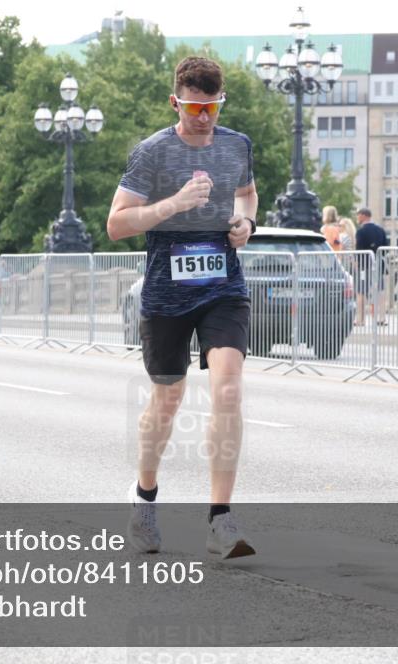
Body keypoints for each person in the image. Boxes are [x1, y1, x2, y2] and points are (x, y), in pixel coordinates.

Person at [107, 56, 257, 559]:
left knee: (228, 387)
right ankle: (145, 498)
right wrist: (173, 203)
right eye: (195, 108)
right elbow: (116, 224)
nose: (204, 117)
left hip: (222, 287)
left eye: (212, 107)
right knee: (167, 400)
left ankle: (220, 519)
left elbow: (248, 195)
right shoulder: (152, 152)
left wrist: (245, 223)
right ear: (176, 102)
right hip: (166, 295)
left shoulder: (237, 145)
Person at [354, 207, 388, 326]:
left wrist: (357, 263)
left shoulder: (361, 231)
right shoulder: (381, 230)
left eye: (358, 215)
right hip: (378, 265)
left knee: (361, 292)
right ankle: (382, 318)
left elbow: (359, 250)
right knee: (380, 291)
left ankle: (360, 319)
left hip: (364, 266)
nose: (357, 218)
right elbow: (385, 248)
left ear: (363, 216)